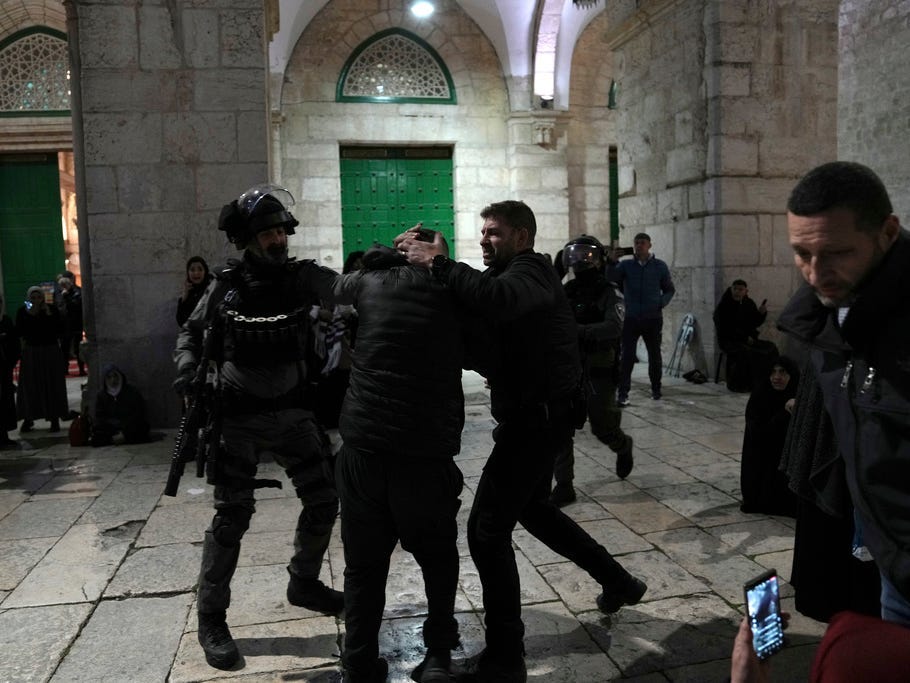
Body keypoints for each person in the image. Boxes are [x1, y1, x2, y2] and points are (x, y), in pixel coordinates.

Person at [397, 201, 647, 683]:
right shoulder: (508, 278)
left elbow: (501, 301)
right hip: (535, 419)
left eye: (494, 232)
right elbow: (487, 327)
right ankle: (620, 581)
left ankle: (505, 658)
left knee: (486, 532)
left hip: (537, 423)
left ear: (523, 237)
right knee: (534, 511)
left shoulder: (530, 269)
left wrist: (441, 263)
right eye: (482, 233)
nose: (485, 240)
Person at [173, 183, 346, 670]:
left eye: (280, 231)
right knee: (232, 519)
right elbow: (191, 331)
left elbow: (342, 289)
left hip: (293, 415)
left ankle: (304, 583)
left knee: (324, 500)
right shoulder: (225, 285)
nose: (277, 239)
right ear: (247, 238)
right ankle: (211, 617)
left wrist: (375, 271)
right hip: (239, 419)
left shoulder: (302, 277)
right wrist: (186, 370)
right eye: (267, 232)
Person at [776, 161, 910, 627]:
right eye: (801, 253)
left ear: (887, 233)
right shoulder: (826, 310)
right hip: (893, 572)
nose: (815, 274)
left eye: (835, 253)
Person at [331, 236, 465, 683]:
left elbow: (323, 285)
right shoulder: (450, 287)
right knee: (438, 557)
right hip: (424, 452)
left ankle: (358, 663)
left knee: (363, 567)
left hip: (364, 448)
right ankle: (440, 657)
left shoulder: (366, 285)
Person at [550, 235, 634, 507]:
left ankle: (623, 445)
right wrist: (557, 270)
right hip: (568, 368)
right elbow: (545, 304)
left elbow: (613, 326)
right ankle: (564, 484)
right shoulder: (566, 289)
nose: (580, 260)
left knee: (603, 426)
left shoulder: (610, 291)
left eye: (586, 255)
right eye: (574, 255)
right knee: (561, 427)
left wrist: (578, 332)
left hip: (598, 368)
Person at [611, 232, 675, 405]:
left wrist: (660, 303)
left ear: (649, 245)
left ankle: (656, 389)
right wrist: (612, 262)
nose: (639, 245)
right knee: (627, 356)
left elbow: (669, 289)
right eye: (636, 242)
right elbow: (611, 281)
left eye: (642, 242)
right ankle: (623, 392)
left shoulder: (659, 266)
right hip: (631, 318)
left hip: (652, 318)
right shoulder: (626, 266)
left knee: (655, 355)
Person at [739, 356, 799, 516]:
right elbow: (759, 435)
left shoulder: (797, 394)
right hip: (764, 466)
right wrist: (785, 414)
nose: (776, 377)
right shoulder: (760, 396)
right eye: (773, 372)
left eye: (782, 372)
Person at [15, 286, 68, 433]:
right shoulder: (24, 311)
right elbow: (19, 330)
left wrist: (48, 314)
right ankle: (28, 418)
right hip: (32, 352)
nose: (36, 300)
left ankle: (54, 418)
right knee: (31, 385)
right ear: (29, 298)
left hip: (49, 351)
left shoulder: (50, 309)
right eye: (33, 298)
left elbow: (59, 329)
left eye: (39, 297)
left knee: (51, 383)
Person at [713, 279, 778, 392]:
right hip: (729, 341)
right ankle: (739, 385)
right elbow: (725, 329)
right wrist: (744, 338)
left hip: (748, 339)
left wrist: (761, 314)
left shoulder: (749, 303)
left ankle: (765, 382)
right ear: (731, 289)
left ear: (746, 291)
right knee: (745, 352)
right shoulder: (723, 306)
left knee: (771, 348)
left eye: (740, 289)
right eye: (735, 289)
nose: (737, 292)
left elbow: (755, 322)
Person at [90, 364, 150, 447]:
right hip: (111, 428)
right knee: (97, 433)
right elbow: (100, 416)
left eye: (115, 376)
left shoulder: (132, 392)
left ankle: (121, 438)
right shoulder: (101, 395)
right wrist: (112, 423)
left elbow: (138, 413)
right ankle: (117, 439)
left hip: (128, 426)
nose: (113, 380)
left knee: (141, 427)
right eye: (109, 377)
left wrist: (125, 430)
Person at [0, 294, 20, 447]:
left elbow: (14, 342)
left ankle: (4, 434)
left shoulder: (5, 320)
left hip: (4, 366)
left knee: (5, 401)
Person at [56, 273, 85, 376]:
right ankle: (64, 369)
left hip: (75, 323)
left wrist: (67, 295)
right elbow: (56, 306)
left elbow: (77, 306)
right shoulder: (58, 293)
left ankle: (81, 368)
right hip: (63, 325)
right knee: (64, 348)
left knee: (78, 348)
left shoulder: (78, 291)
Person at [176, 256, 213, 328]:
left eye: (200, 269)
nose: (196, 273)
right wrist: (184, 297)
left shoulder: (211, 290)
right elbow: (181, 322)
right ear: (188, 272)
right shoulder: (188, 292)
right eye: (192, 270)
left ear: (205, 272)